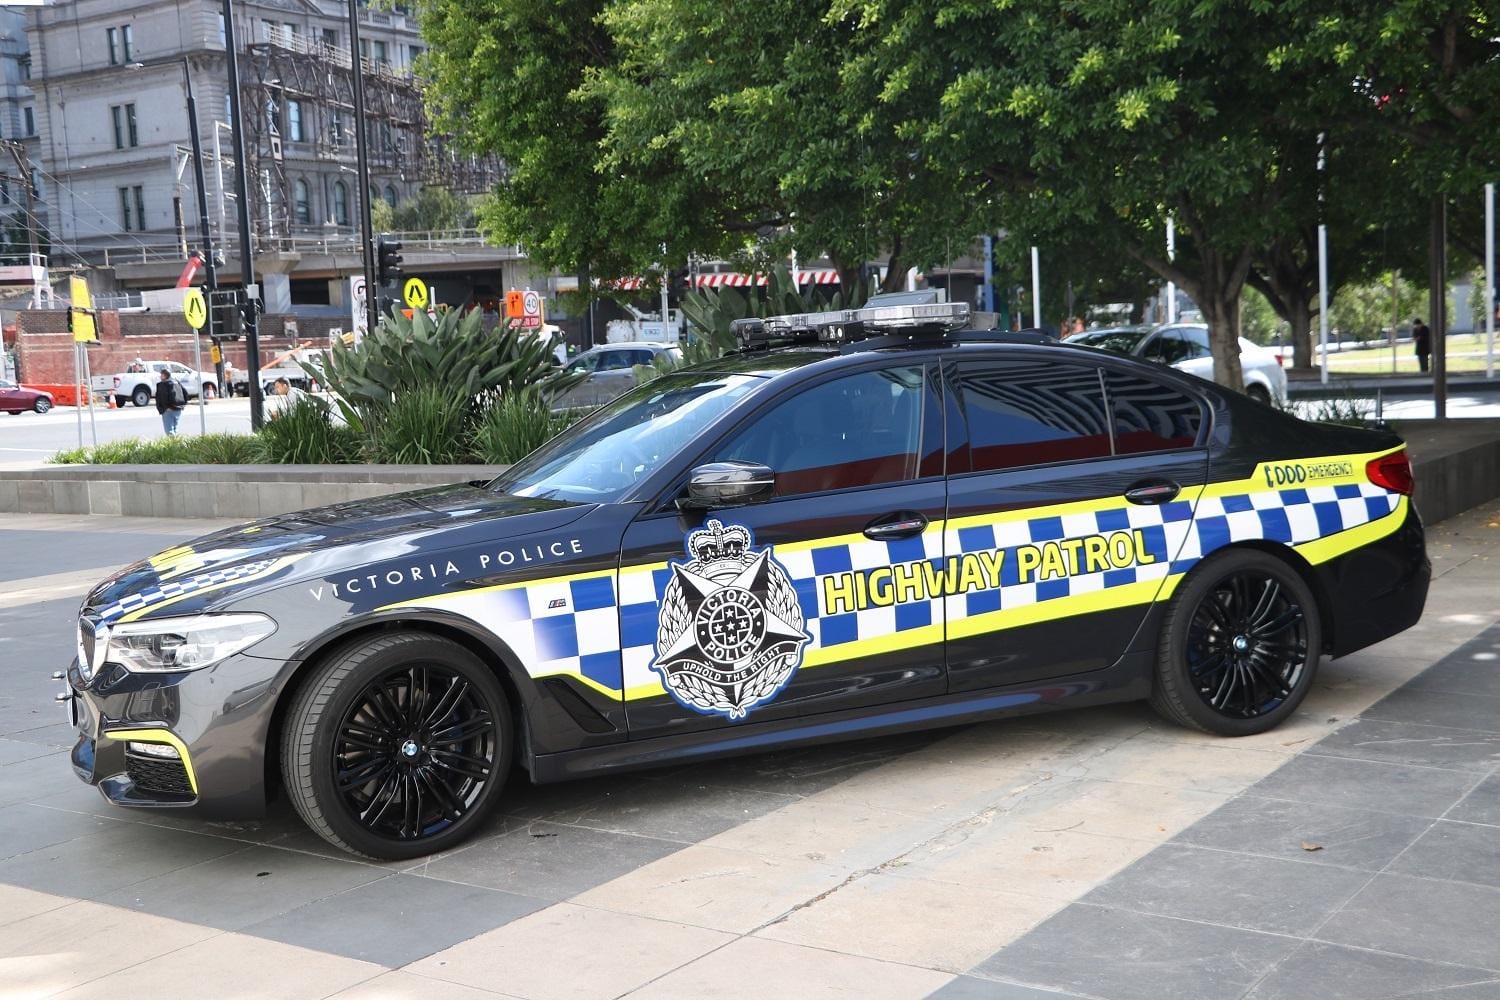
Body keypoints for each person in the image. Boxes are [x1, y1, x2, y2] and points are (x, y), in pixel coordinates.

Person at [154, 367, 185, 434]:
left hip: (168, 410)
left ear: (164, 375)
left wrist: (163, 408)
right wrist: (182, 405)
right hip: (178, 409)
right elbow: (185, 393)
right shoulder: (177, 382)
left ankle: (173, 444)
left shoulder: (163, 385)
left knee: (169, 431)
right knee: (175, 429)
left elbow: (162, 397)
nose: (160, 376)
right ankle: (177, 443)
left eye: (161, 375)